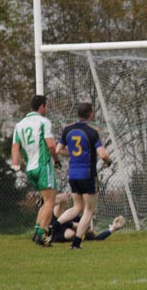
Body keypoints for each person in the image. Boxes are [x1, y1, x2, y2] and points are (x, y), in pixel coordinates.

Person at [53, 102, 113, 249]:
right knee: (88, 210)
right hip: (88, 174)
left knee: (77, 207)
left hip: (73, 174)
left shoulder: (68, 129)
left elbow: (57, 150)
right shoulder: (92, 132)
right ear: (90, 114)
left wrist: (71, 154)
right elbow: (102, 154)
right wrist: (109, 161)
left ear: (78, 114)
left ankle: (53, 226)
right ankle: (76, 243)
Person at [11, 95, 61, 246]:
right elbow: (51, 145)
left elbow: (15, 147)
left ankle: (36, 231)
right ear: (41, 107)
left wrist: (16, 164)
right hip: (43, 165)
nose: (48, 109)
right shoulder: (43, 122)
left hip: (30, 168)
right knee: (50, 202)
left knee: (45, 202)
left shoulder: (19, 125)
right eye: (47, 106)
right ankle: (42, 236)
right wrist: (57, 160)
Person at [49, 193, 125, 243]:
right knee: (61, 218)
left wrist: (113, 228)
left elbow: (97, 239)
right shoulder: (73, 217)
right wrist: (75, 225)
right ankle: (52, 200)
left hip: (58, 233)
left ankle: (53, 201)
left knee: (69, 233)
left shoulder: (81, 233)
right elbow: (61, 218)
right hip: (57, 225)